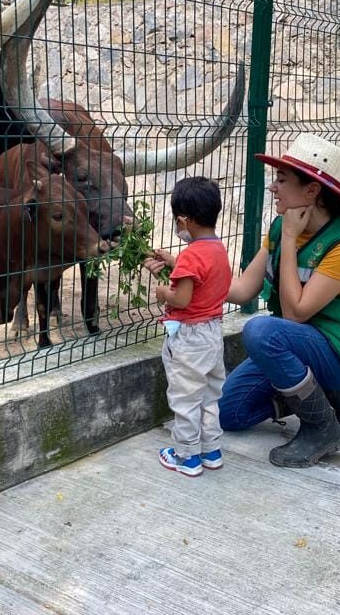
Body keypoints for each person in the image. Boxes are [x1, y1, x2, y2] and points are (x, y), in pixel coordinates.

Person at [220, 133, 340, 468]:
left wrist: (291, 238)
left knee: (261, 331)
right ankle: (330, 403)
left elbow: (295, 314)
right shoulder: (280, 228)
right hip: (297, 346)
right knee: (230, 412)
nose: (272, 187)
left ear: (311, 191)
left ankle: (321, 428)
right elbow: (242, 290)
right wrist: (188, 273)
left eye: (281, 180)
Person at [143, 176, 233, 477]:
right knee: (209, 397)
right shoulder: (218, 250)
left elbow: (180, 300)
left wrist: (161, 292)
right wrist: (175, 261)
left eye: (176, 221)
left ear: (184, 219)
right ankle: (211, 451)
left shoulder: (191, 257)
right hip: (212, 335)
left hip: (189, 338)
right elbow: (203, 277)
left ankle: (186, 457)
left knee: (184, 399)